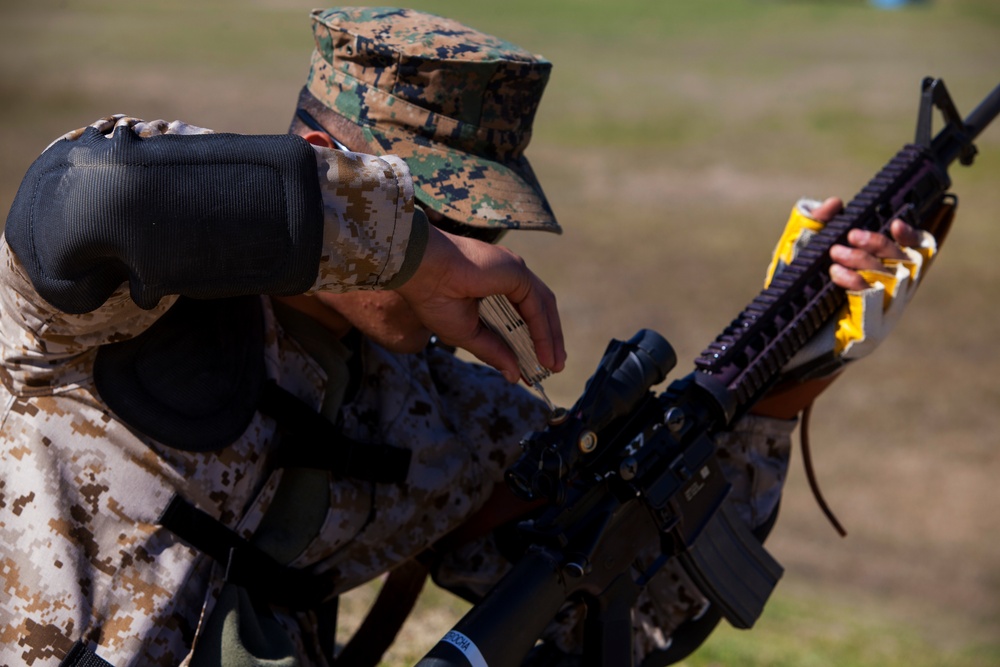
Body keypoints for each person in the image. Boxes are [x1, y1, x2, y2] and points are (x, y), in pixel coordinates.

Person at [0, 7, 941, 667]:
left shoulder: (441, 415)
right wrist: (400, 248)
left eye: (490, 233)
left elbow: (625, 617)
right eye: (453, 220)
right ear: (332, 169)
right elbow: (89, 194)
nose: (476, 262)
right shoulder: (127, 301)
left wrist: (790, 379)